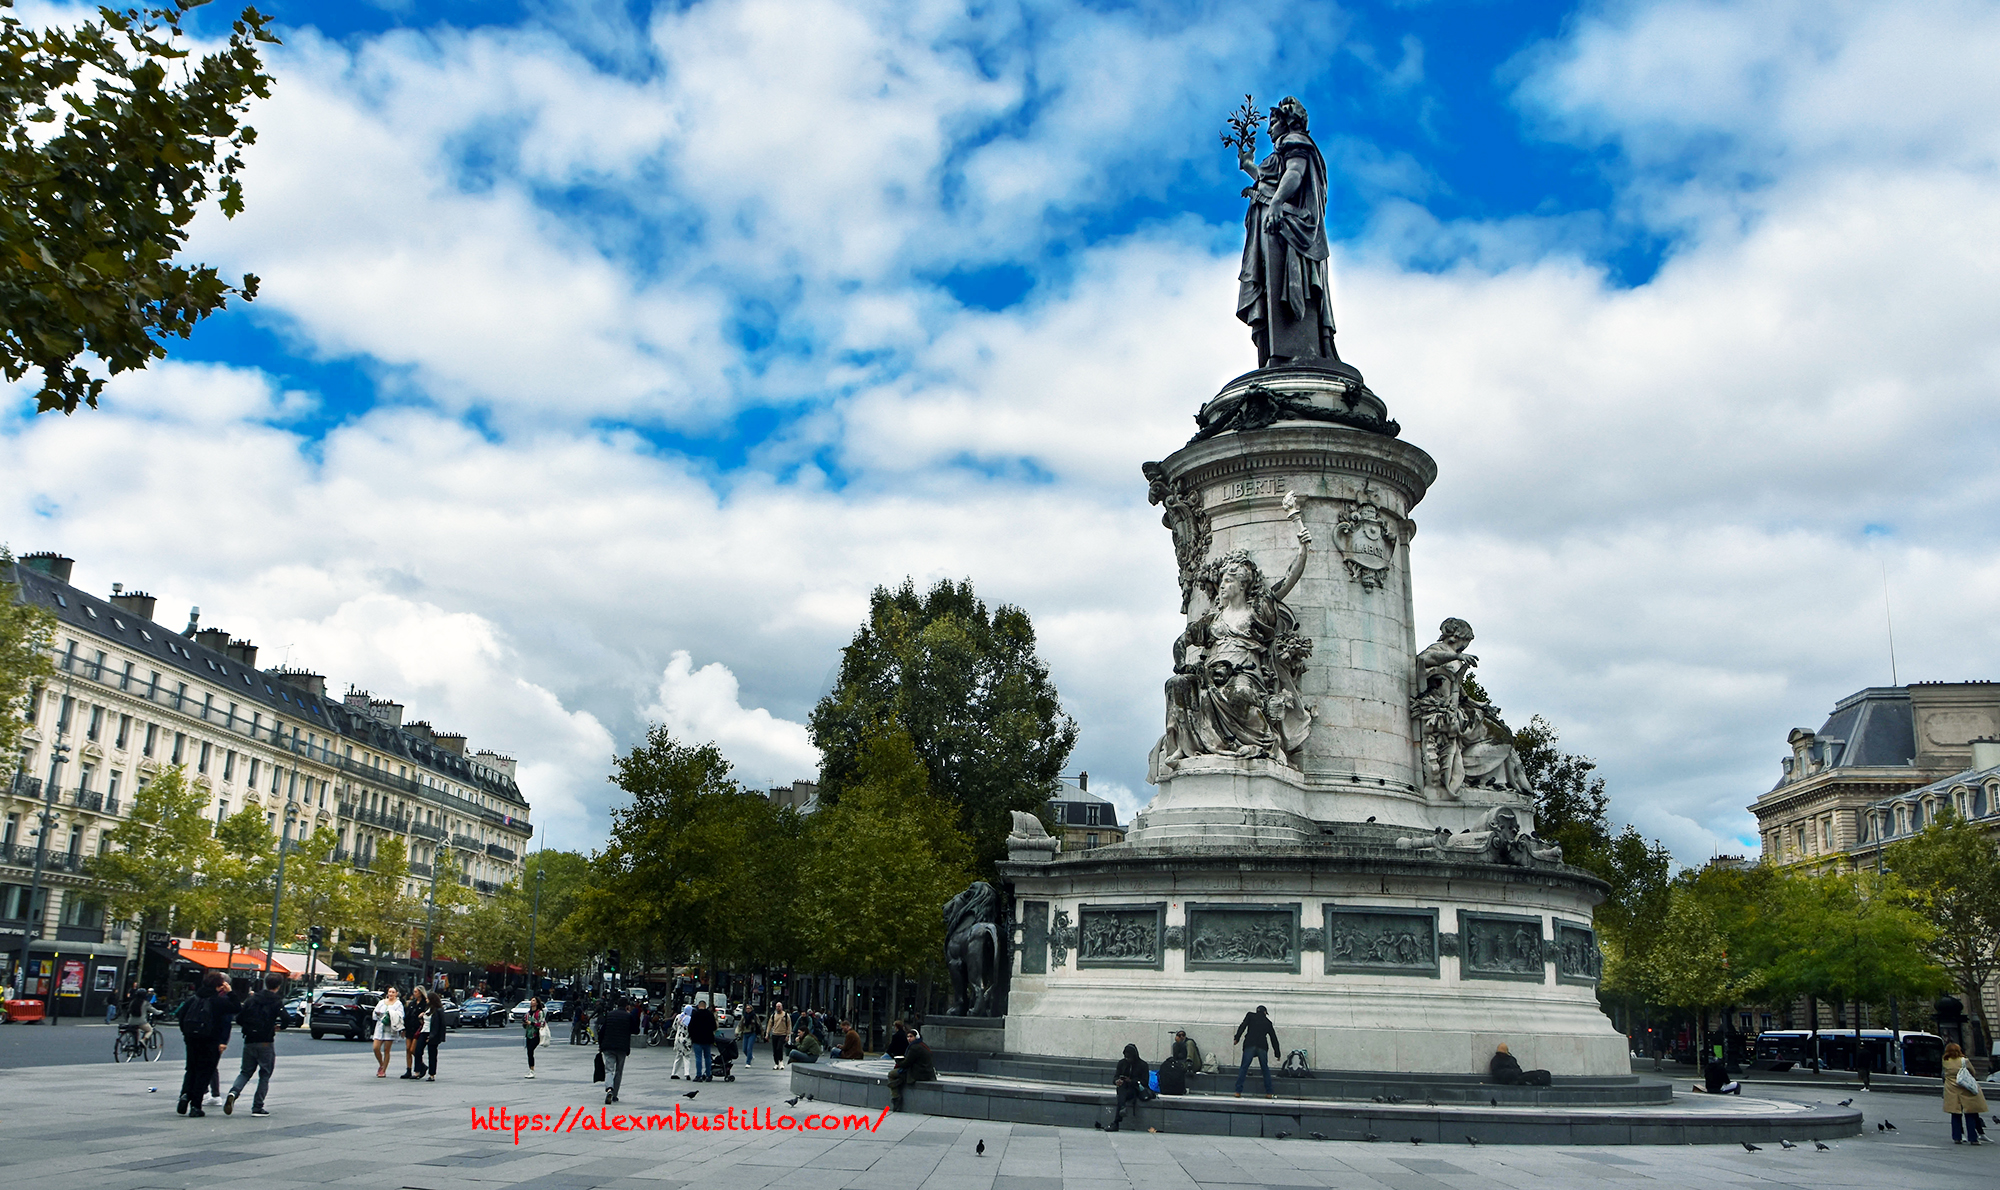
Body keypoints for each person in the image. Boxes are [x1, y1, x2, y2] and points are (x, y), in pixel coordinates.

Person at [1233, 96, 1336, 369]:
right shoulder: (1281, 150)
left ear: (1289, 122)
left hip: (1288, 229)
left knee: (1283, 286)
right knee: (1272, 287)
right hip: (1275, 225)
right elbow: (1273, 178)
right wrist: (1247, 166)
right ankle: (1277, 353)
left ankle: (1290, 349)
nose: (1268, 130)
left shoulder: (1295, 142)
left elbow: (1294, 173)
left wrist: (1277, 203)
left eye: (1274, 122)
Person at [225, 973, 286, 1116]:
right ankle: (257, 1107)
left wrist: (248, 1025)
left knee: (245, 1071)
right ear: (278, 986)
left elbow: (239, 1018)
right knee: (264, 1074)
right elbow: (286, 1018)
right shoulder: (277, 1001)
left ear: (265, 983)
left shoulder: (252, 999)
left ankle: (234, 1092)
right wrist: (278, 1026)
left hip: (249, 1039)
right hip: (266, 1041)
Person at [176, 972, 235, 1117]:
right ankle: (196, 1105)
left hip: (191, 1039)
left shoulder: (193, 999)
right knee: (204, 1071)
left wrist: (186, 1033)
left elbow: (180, 1015)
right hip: (210, 1040)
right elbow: (236, 1008)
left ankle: (184, 1095)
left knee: (191, 1069)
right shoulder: (218, 1001)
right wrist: (230, 992)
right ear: (220, 985)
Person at [1943, 1042, 1990, 1144]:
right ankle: (1973, 1138)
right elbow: (1972, 1072)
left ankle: (1957, 1137)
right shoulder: (1964, 1061)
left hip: (1951, 1089)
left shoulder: (1945, 1061)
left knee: (1955, 1114)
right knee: (1970, 1113)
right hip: (1965, 1088)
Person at [1233, 1005, 1279, 1098]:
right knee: (1265, 1069)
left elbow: (1243, 1026)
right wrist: (1277, 1053)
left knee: (1244, 1068)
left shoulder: (1250, 1016)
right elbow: (1273, 1038)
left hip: (1250, 1044)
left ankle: (1238, 1091)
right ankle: (1269, 1092)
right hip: (1262, 1046)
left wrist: (1237, 1038)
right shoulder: (1268, 1022)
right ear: (1265, 1012)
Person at [887, 1024, 935, 1112]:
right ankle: (898, 1084)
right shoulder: (922, 1045)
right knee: (899, 1076)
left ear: (915, 1037)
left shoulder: (914, 1047)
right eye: (908, 1037)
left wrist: (898, 1061)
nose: (909, 1039)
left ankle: (896, 1097)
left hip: (918, 1073)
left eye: (911, 1037)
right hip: (926, 1072)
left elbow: (906, 1063)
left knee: (891, 1074)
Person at [598, 997, 636, 1105]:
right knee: (619, 1071)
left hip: (608, 1046)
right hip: (622, 1048)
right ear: (626, 1006)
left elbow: (602, 1031)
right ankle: (615, 1095)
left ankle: (609, 1088)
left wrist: (601, 1045)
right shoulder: (628, 1016)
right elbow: (635, 1030)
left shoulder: (610, 1014)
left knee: (609, 1069)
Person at [1110, 1043, 1151, 1131]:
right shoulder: (1122, 1063)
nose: (1127, 1059)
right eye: (1126, 1057)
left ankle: (1116, 1122)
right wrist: (1117, 1081)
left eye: (1129, 1057)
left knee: (1122, 1096)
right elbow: (1115, 1077)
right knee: (1121, 1089)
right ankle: (1121, 1109)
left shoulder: (1143, 1065)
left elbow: (1145, 1082)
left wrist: (1132, 1081)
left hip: (1135, 1089)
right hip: (1123, 1088)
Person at [371, 986, 403, 1078]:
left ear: (396, 994)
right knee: (376, 1048)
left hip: (390, 1028)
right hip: (380, 1027)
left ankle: (383, 1069)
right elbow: (374, 1013)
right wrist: (377, 1014)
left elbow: (401, 1015)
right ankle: (381, 1064)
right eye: (390, 992)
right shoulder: (381, 1002)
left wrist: (391, 1014)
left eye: (393, 992)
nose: (391, 994)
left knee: (386, 1050)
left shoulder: (398, 1004)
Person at [417, 988, 447, 1081]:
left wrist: (435, 1036)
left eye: (427, 998)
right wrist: (421, 1017)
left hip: (433, 1033)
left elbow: (441, 1024)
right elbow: (425, 1021)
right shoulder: (427, 1008)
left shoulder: (438, 1010)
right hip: (424, 1031)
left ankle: (432, 1074)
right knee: (417, 1050)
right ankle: (419, 1069)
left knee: (432, 1054)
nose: (426, 999)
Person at [401, 986, 428, 1079]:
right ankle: (408, 1069)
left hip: (418, 1029)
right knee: (408, 1049)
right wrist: (403, 1028)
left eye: (416, 992)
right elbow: (407, 1016)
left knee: (413, 1049)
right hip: (410, 1028)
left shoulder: (425, 1004)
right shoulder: (412, 1003)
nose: (414, 993)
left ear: (420, 993)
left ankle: (421, 1065)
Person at [690, 995, 718, 1082]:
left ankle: (699, 1076)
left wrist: (692, 1036)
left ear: (699, 1006)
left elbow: (690, 1027)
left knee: (698, 1058)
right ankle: (708, 1075)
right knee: (707, 1057)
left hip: (697, 1039)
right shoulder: (710, 1015)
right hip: (707, 1039)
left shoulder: (695, 1014)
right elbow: (714, 1026)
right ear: (705, 1006)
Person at [522, 995, 545, 1079]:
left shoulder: (539, 1013)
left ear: (537, 1003)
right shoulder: (528, 1013)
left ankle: (532, 1071)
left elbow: (541, 1023)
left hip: (536, 1035)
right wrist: (524, 1023)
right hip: (528, 1034)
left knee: (531, 1050)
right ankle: (531, 1070)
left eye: (534, 1000)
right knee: (529, 1052)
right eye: (531, 1000)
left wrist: (531, 1023)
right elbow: (525, 1022)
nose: (532, 1002)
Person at [766, 1002, 792, 1070]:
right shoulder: (773, 1015)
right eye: (777, 1006)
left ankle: (781, 1061)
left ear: (782, 1007)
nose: (778, 1008)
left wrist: (788, 1035)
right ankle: (776, 1063)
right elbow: (769, 1025)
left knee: (779, 1048)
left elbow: (789, 1025)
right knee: (775, 1050)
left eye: (779, 1006)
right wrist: (767, 1033)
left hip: (782, 1034)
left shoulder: (786, 1015)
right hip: (775, 1034)